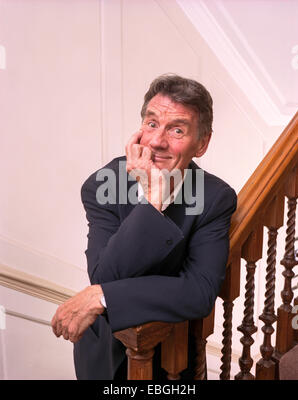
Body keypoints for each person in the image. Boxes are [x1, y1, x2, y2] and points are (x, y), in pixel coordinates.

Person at [51, 74, 237, 380]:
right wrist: (151, 202)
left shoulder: (216, 197)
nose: (157, 141)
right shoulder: (101, 184)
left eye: (177, 129)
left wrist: (100, 296)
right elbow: (105, 274)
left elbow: (198, 292)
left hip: (172, 359)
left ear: (202, 144)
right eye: (152, 124)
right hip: (102, 354)